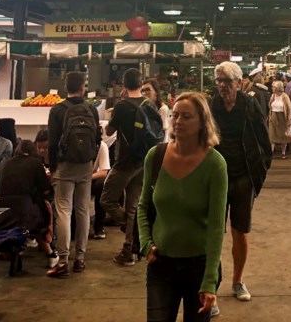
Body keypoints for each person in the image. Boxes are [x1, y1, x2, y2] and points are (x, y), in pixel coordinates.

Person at [138, 92, 227, 322]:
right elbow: (143, 206)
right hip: (161, 266)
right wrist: (146, 243)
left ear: (202, 122)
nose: (178, 121)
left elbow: (217, 227)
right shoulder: (155, 156)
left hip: (198, 266)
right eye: (175, 115)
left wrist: (209, 281)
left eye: (186, 116)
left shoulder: (215, 165)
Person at [209, 61, 272, 307]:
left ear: (238, 82)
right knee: (213, 232)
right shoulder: (211, 105)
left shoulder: (250, 104)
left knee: (240, 231)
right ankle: (210, 288)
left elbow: (264, 142)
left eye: (227, 81)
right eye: (219, 81)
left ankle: (238, 281)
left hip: (244, 177)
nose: (222, 86)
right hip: (216, 177)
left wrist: (259, 175)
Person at [104, 68, 164, 267]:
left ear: (124, 84)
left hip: (125, 161)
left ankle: (132, 229)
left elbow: (109, 130)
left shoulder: (122, 106)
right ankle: (129, 250)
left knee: (107, 200)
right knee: (133, 206)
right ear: (141, 84)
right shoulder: (150, 105)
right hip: (144, 161)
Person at [46, 71, 102, 278]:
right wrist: (91, 159)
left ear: (65, 87)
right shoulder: (91, 109)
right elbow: (97, 138)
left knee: (63, 210)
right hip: (86, 165)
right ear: (83, 87)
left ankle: (63, 261)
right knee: (82, 210)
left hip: (65, 164)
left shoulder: (58, 110)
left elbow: (52, 143)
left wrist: (53, 167)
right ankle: (80, 258)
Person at [0, 139, 57, 267]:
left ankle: (9, 251)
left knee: (17, 221)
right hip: (24, 208)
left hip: (2, 208)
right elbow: (46, 189)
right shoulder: (35, 163)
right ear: (32, 151)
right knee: (41, 220)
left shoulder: (6, 163)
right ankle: (50, 254)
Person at [90, 140, 110, 239]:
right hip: (74, 179)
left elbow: (103, 172)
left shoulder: (101, 146)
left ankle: (99, 226)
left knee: (102, 184)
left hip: (90, 178)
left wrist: (87, 178)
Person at [268, 80, 291, 159]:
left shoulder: (285, 96)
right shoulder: (272, 96)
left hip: (282, 117)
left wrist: (289, 119)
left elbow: (289, 108)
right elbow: (270, 106)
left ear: (278, 88)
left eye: (274, 87)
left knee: (283, 136)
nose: (272, 88)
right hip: (273, 116)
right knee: (272, 135)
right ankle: (271, 152)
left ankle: (283, 152)